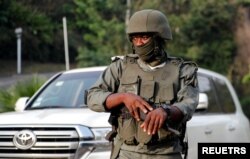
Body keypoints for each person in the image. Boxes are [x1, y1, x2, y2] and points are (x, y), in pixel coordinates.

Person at [86, 9, 199, 159]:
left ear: (159, 38)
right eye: (135, 38)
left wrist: (166, 111)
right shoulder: (120, 67)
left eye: (144, 37)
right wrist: (123, 97)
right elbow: (93, 97)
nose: (139, 43)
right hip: (126, 152)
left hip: (166, 152)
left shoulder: (183, 71)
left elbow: (188, 104)